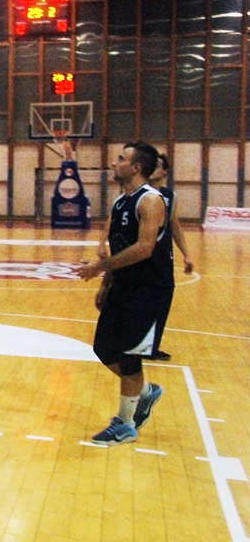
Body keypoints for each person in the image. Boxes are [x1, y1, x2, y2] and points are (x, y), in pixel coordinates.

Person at [79, 141, 169, 446]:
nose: (115, 163)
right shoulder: (121, 203)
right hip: (122, 286)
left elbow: (145, 249)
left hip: (147, 289)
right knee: (103, 349)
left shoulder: (151, 201)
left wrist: (99, 267)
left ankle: (125, 424)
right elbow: (119, 245)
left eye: (122, 159)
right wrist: (106, 282)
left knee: (130, 358)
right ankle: (144, 392)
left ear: (137, 167)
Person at [142, 152, 194, 361]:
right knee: (141, 300)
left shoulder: (170, 196)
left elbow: (176, 227)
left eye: (158, 165)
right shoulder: (140, 195)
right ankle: (135, 343)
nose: (153, 168)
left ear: (165, 171)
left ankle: (152, 346)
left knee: (163, 299)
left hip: (163, 257)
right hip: (143, 255)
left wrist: (187, 255)